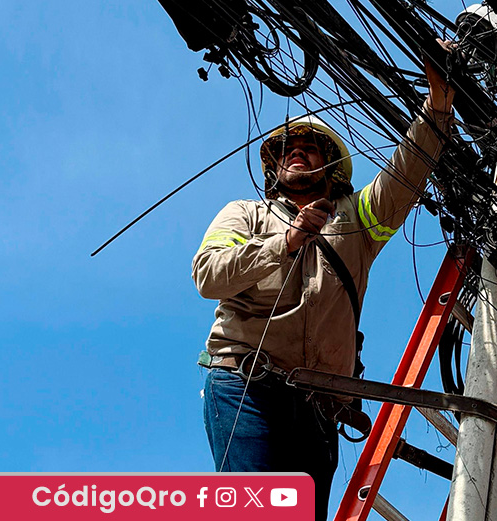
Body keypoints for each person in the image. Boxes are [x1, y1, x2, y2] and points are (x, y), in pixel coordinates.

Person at [192, 57, 454, 519]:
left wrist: (436, 110)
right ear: (274, 167)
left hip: (318, 406)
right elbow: (209, 276)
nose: (298, 151)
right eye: (289, 147)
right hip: (246, 384)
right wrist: (286, 242)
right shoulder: (246, 215)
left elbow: (404, 179)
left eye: (311, 147)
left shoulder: (355, 221)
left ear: (331, 170)